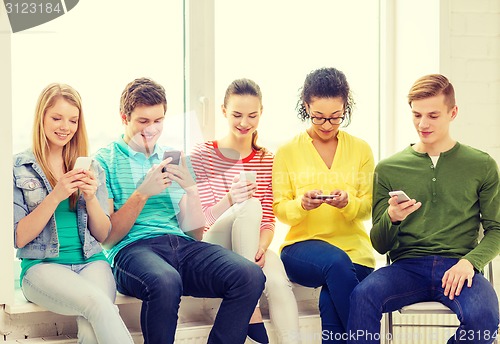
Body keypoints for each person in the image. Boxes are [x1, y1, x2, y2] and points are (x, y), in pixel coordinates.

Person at [94, 77, 266, 344]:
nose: (151, 129)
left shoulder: (173, 157)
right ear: (123, 117)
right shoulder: (105, 161)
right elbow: (108, 238)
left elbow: (194, 234)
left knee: (250, 276)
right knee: (165, 281)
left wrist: (192, 190)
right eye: (143, 121)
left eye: (158, 121)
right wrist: (142, 193)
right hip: (133, 250)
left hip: (182, 246)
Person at [348, 74, 500, 344]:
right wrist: (392, 218)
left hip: (459, 268)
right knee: (362, 295)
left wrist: (470, 263)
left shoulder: (481, 165)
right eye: (416, 115)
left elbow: (496, 230)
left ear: (453, 112)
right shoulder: (389, 168)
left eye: (432, 115)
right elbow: (380, 245)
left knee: (485, 316)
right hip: (406, 268)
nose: (423, 123)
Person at [13, 83, 134, 344]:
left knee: (93, 327)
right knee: (100, 306)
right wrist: (56, 194)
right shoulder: (18, 167)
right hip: (42, 267)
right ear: (41, 118)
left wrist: (90, 197)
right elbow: (19, 238)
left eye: (73, 120)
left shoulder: (92, 167)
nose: (65, 127)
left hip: (92, 261)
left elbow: (103, 235)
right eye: (56, 118)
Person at [190, 78, 300, 344]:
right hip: (213, 245)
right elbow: (200, 222)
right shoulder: (202, 154)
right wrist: (230, 199)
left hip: (251, 247)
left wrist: (261, 247)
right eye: (237, 114)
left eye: (252, 115)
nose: (244, 122)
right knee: (249, 204)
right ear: (224, 111)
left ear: (261, 113)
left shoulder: (266, 159)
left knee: (277, 281)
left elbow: (268, 220)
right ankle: (251, 309)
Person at [272, 67, 376, 344]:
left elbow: (368, 207)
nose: (328, 125)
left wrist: (348, 203)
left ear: (346, 107)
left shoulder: (361, 149)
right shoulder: (287, 152)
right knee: (335, 262)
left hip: (355, 252)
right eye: (318, 117)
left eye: (335, 117)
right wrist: (302, 205)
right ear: (306, 107)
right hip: (302, 248)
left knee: (331, 307)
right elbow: (280, 209)